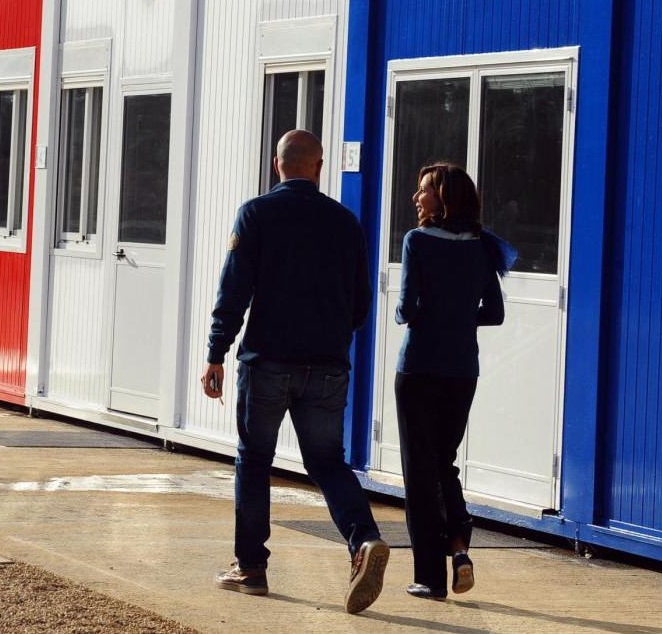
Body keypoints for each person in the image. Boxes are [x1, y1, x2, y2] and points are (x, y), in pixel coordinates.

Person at [201, 129, 389, 615]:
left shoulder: (257, 214)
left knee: (255, 459)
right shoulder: (346, 223)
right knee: (327, 462)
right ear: (319, 166)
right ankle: (364, 539)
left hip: (268, 361)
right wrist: (329, 338)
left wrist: (216, 352)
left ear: (276, 164)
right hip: (327, 366)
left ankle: (251, 567)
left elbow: (234, 290)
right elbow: (361, 303)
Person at [394, 162, 515, 600]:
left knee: (419, 473)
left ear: (442, 199)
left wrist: (412, 314)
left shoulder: (417, 241)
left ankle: (429, 577)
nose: (416, 197)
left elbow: (406, 307)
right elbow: (496, 313)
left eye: (423, 190)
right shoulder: (483, 247)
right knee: (444, 463)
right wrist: (461, 318)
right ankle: (459, 547)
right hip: (463, 371)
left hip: (419, 368)